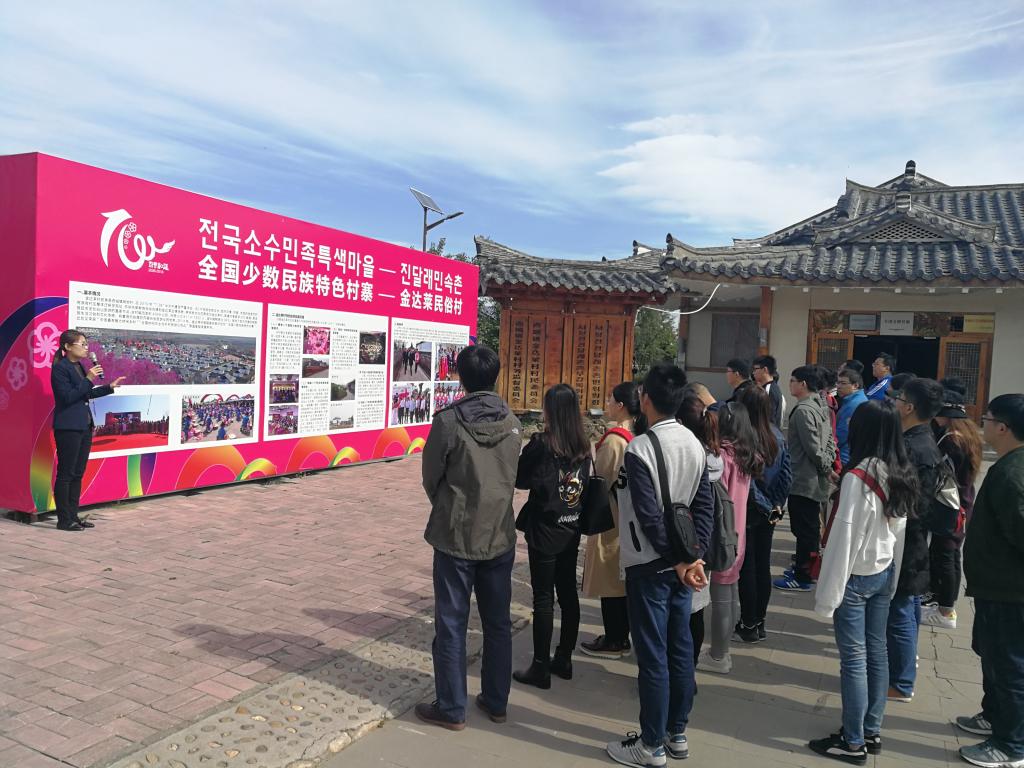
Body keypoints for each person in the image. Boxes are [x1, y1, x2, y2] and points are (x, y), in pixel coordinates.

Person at [606, 363, 714, 767]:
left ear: (645, 399)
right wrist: (694, 557)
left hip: (650, 564)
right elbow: (704, 507)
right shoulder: (694, 443)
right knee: (680, 650)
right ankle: (676, 733)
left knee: (653, 656)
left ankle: (650, 745)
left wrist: (680, 560)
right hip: (683, 564)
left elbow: (649, 517)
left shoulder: (640, 448)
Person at [417, 345, 523, 730]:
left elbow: (431, 477)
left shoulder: (448, 422)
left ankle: (451, 707)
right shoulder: (513, 422)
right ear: (495, 375)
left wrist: (449, 506)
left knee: (451, 623)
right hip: (499, 534)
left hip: (456, 536)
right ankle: (496, 701)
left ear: (460, 377)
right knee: (497, 623)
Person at [809, 399, 917, 765]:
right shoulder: (899, 470)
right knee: (877, 651)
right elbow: (898, 532)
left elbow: (845, 538)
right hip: (884, 571)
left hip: (856, 576)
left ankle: (852, 742)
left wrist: (828, 597)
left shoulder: (859, 477)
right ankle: (871, 729)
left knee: (854, 660)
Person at [956, 394, 1024, 768]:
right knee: (993, 657)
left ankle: (1011, 745)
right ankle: (995, 715)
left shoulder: (1013, 474)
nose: (982, 423)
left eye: (987, 417)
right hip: (995, 585)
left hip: (1009, 590)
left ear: (1002, 427)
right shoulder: (1009, 464)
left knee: (1009, 665)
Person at [514, 384, 592, 690]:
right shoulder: (583, 445)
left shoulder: (542, 444)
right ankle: (564, 658)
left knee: (543, 598)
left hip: (545, 530)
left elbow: (520, 478)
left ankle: (540, 666)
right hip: (571, 527)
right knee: (568, 594)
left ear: (550, 411)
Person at [886, 377, 943, 704]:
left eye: (899, 399)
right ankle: (905, 670)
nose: (894, 403)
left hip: (907, 537)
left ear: (908, 407)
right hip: (915, 537)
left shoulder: (912, 447)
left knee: (900, 608)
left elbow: (909, 502)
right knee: (908, 604)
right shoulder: (922, 439)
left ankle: (901, 681)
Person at [697, 400, 762, 674]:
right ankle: (722, 652)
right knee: (730, 593)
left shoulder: (723, 458)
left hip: (722, 534)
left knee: (721, 598)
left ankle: (718, 656)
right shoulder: (747, 455)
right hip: (738, 533)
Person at [581, 382, 640, 659]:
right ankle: (620, 636)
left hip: (611, 516)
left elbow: (601, 480)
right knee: (621, 581)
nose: (607, 404)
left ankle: (615, 639)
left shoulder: (615, 440)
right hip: (628, 516)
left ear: (621, 405)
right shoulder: (638, 434)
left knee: (610, 581)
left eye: (610, 399)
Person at [50, 329, 126, 531]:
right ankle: (64, 520)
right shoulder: (60, 369)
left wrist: (109, 387)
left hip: (84, 425)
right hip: (68, 427)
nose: (86, 348)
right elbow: (67, 397)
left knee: (77, 473)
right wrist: (89, 378)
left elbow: (85, 394)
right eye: (82, 344)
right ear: (67, 346)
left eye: (86, 344)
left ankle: (73, 516)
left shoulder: (79, 367)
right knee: (66, 474)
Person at [922, 390, 980, 630]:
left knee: (945, 554)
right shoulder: (967, 434)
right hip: (962, 500)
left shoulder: (951, 440)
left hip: (950, 504)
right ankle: (944, 603)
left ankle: (946, 610)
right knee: (952, 554)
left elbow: (944, 475)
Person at [736, 385, 790, 642]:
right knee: (762, 565)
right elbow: (786, 475)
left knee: (748, 567)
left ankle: (748, 623)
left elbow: (746, 482)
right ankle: (760, 622)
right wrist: (776, 504)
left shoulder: (743, 438)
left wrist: (765, 504)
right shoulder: (777, 435)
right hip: (769, 511)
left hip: (749, 509)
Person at [775, 366, 837, 591]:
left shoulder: (803, 410)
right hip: (813, 477)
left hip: (804, 478)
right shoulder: (820, 405)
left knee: (805, 531)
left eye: (792, 380)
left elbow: (813, 448)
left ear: (803, 384)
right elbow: (829, 441)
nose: (789, 384)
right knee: (807, 528)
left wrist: (826, 466)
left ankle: (804, 576)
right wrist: (828, 465)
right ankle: (804, 570)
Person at [676, 392, 720, 661]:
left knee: (679, 612)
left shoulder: (687, 456)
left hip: (683, 545)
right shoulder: (714, 455)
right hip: (704, 544)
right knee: (697, 609)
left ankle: (677, 669)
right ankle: (689, 667)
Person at [836, 369, 869, 466]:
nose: (838, 386)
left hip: (845, 457)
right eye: (838, 383)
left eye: (843, 383)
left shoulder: (854, 404)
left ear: (855, 385)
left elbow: (842, 434)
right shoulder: (855, 400)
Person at [753, 354, 785, 428]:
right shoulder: (772, 387)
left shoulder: (769, 389)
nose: (753, 372)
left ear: (765, 369)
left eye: (755, 369)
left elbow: (769, 419)